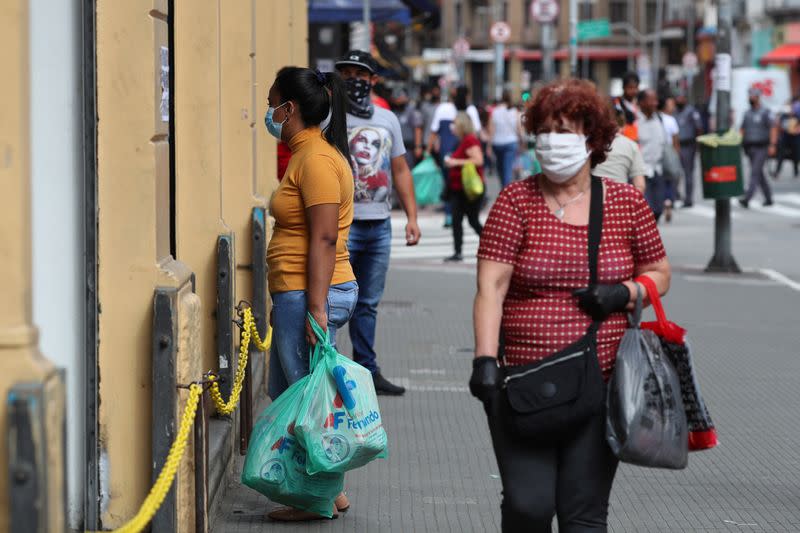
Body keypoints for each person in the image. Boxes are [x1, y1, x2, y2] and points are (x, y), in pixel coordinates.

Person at [470, 78, 671, 532]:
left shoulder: (624, 203)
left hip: (601, 384)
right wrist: (484, 359)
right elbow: (491, 287)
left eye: (565, 129)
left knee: (583, 513)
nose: (553, 141)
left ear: (593, 138)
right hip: (522, 385)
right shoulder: (514, 201)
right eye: (545, 130)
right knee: (529, 506)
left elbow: (660, 271)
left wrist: (625, 292)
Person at [263, 66, 357, 520]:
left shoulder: (316, 160)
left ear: (290, 109)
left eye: (272, 105)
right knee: (295, 392)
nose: (269, 114)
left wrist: (316, 307)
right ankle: (327, 491)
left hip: (309, 293)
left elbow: (322, 238)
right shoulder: (310, 155)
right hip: (299, 293)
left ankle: (315, 497)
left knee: (305, 399)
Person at [335, 50, 421, 396]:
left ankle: (367, 371)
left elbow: (400, 168)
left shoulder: (388, 120)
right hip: (343, 225)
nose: (353, 79)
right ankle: (332, 373)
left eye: (360, 73)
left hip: (379, 225)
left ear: (373, 80)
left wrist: (412, 217)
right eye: (347, 73)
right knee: (334, 301)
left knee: (368, 303)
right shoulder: (329, 117)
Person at [428, 85, 482, 227]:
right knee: (465, 183)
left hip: (447, 152)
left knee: (448, 184)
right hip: (465, 152)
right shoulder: (471, 110)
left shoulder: (442, 108)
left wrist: (428, 151)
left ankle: (449, 214)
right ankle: (467, 213)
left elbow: (434, 131)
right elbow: (476, 131)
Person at [443, 112, 484, 262]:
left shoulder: (470, 140)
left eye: (454, 123)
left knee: (472, 220)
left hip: (468, 190)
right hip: (458, 189)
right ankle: (457, 251)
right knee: (456, 220)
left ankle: (492, 245)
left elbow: (478, 160)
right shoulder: (461, 141)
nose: (451, 126)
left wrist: (455, 162)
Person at [593, 104, 647, 194]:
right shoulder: (631, 145)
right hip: (620, 200)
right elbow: (640, 185)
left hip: (591, 200)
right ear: (622, 124)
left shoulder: (588, 143)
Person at [739, 88, 778, 208]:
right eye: (749, 96)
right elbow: (742, 129)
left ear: (757, 97)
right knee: (759, 173)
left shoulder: (766, 112)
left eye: (752, 96)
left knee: (755, 172)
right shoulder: (747, 113)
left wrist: (773, 144)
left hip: (762, 146)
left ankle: (747, 197)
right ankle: (768, 197)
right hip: (749, 147)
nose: (750, 98)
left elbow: (773, 128)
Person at [636, 88, 667, 222]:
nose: (655, 103)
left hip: (658, 170)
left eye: (656, 100)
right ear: (642, 102)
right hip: (641, 172)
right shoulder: (635, 122)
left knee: (658, 209)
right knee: (645, 211)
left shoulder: (659, 119)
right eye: (651, 100)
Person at [674, 92, 705, 207]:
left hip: (688, 145)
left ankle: (688, 199)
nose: (679, 100)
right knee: (674, 172)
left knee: (688, 173)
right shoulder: (674, 112)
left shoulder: (691, 111)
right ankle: (675, 195)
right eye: (678, 98)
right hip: (676, 145)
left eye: (681, 98)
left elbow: (699, 128)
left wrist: (698, 145)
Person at [487, 90, 522, 188]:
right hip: (511, 142)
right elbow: (519, 129)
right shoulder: (514, 111)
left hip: (497, 143)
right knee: (507, 169)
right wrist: (521, 141)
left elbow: (491, 130)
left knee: (500, 168)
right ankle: (505, 191)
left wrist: (489, 146)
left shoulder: (495, 111)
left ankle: (504, 189)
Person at [658, 96, 681, 222]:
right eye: (671, 104)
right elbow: (675, 140)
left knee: (659, 179)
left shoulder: (656, 118)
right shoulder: (671, 120)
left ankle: (662, 201)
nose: (673, 107)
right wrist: (676, 154)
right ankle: (668, 201)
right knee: (670, 179)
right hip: (669, 153)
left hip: (656, 153)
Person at [392, 89, 424, 170]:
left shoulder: (411, 111)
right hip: (394, 148)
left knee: (408, 170)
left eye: (402, 97)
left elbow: (417, 129)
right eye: (398, 97)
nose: (400, 99)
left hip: (408, 149)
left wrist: (418, 146)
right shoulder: (392, 112)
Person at [612, 72, 640, 142]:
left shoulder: (639, 104)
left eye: (635, 87)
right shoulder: (616, 103)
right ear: (623, 87)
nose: (633, 91)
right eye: (630, 87)